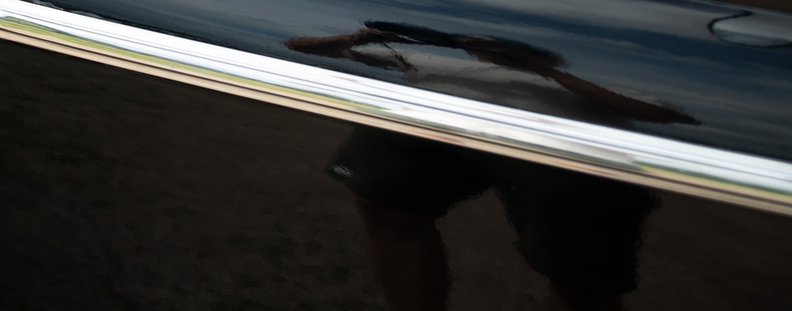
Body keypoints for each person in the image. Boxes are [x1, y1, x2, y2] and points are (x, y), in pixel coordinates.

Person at [287, 22, 693, 310]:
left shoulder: (573, 78)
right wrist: (359, 36)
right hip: (433, 117)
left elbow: (665, 112)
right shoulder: (430, 60)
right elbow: (302, 45)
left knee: (580, 278)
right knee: (383, 204)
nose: (485, 44)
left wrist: (542, 69)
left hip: (559, 140)